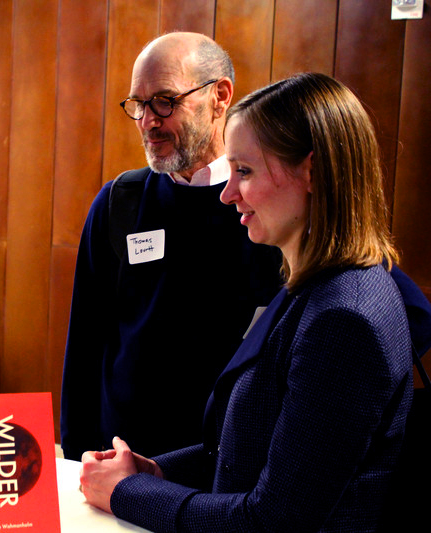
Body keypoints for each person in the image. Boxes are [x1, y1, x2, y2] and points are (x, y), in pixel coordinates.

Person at [80, 72, 416, 532]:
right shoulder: (313, 288)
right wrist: (155, 472)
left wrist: (127, 493)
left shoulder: (344, 317)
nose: (227, 193)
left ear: (312, 172)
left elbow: (271, 520)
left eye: (245, 171)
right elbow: (251, 450)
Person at [60, 32, 282, 460]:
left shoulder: (267, 206)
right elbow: (86, 342)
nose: (148, 121)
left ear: (220, 96)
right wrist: (75, 456)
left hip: (224, 467)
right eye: (138, 105)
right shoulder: (118, 201)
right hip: (121, 462)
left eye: (164, 101)